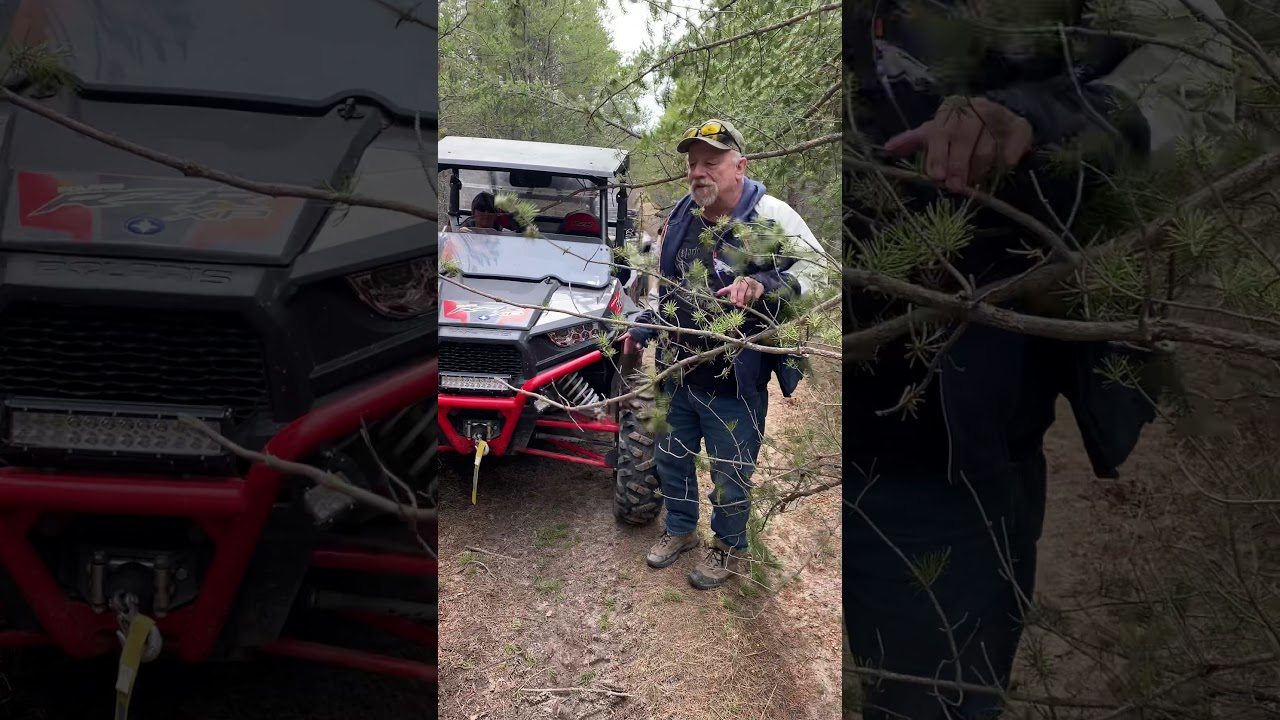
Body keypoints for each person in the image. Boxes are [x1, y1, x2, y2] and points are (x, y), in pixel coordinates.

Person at [845, 1, 1235, 717]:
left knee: (934, 692)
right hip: (821, 417)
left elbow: (1202, 64)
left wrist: (1048, 124)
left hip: (945, 452)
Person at [623, 119, 824, 590]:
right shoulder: (682, 215)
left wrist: (766, 284)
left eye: (711, 162)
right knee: (671, 458)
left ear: (739, 166)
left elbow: (823, 273)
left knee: (732, 473)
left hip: (735, 381)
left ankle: (730, 547)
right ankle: (680, 530)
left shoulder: (770, 215)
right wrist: (648, 321)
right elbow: (664, 284)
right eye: (693, 163)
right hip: (677, 371)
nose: (699, 172)